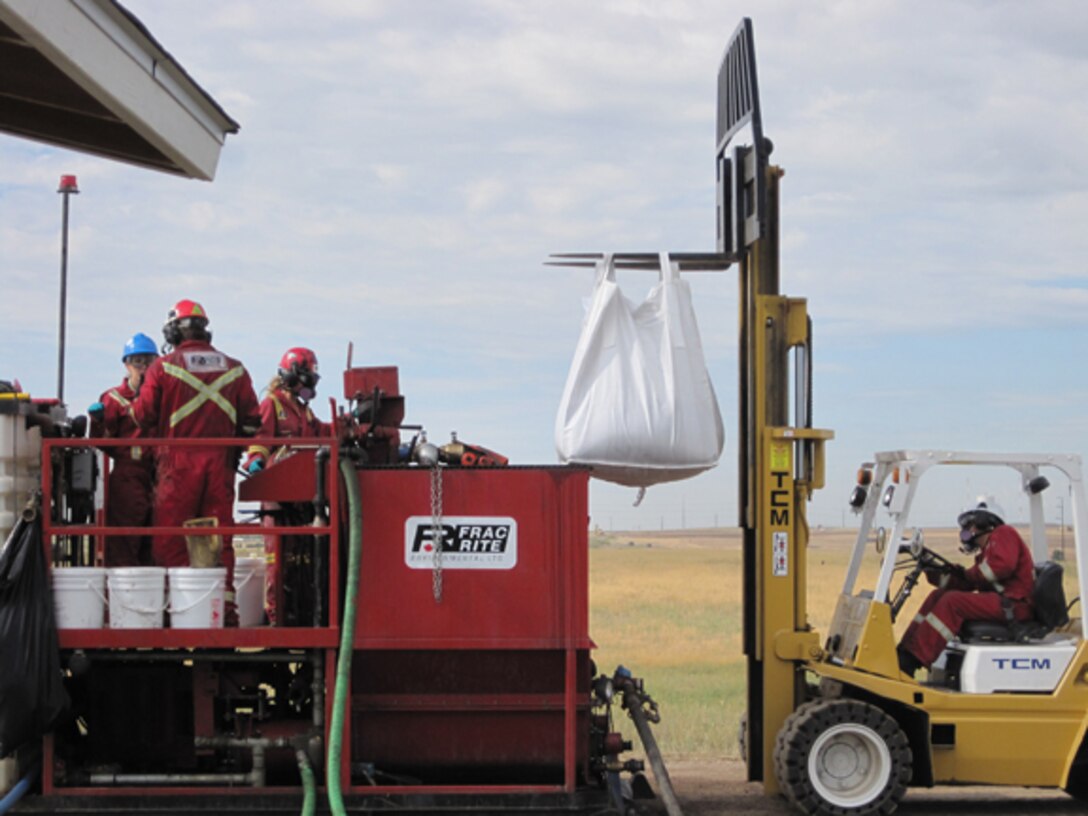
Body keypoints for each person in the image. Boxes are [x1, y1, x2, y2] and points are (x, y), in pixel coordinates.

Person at [130, 299, 260, 625]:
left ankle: (180, 613)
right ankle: (224, 612)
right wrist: (234, 450)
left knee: (171, 537)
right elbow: (251, 422)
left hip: (177, 465)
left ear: (173, 331)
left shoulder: (163, 367)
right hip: (220, 465)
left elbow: (143, 415)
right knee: (218, 541)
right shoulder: (236, 369)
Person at [241, 347, 332, 625]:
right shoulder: (273, 405)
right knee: (278, 561)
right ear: (293, 376)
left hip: (304, 497)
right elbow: (260, 439)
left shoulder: (304, 411)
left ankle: (300, 613)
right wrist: (257, 461)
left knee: (304, 559)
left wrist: (347, 426)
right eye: (308, 377)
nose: (311, 384)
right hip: (277, 498)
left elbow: (322, 433)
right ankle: (276, 616)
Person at [897, 497, 1035, 675]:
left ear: (986, 522)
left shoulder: (1003, 533)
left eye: (970, 524)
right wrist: (935, 569)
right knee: (938, 595)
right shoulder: (987, 552)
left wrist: (969, 574)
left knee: (952, 602)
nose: (967, 530)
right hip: (1003, 603)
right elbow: (968, 582)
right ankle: (904, 651)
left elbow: (1001, 567)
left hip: (1015, 606)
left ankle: (912, 660)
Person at [87, 333, 158, 567]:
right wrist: (98, 422)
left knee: (160, 539)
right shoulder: (113, 399)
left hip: (160, 473)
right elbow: (100, 441)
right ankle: (124, 597)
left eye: (149, 360)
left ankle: (156, 596)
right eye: (137, 361)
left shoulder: (163, 398)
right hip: (128, 475)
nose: (144, 367)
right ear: (127, 364)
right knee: (124, 541)